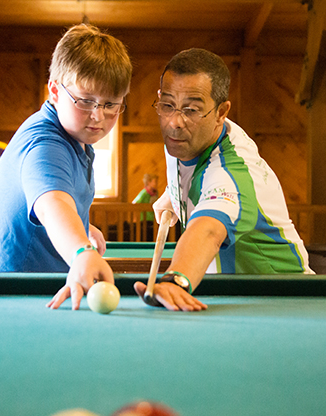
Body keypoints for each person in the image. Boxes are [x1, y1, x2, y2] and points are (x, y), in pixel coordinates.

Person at [0, 24, 132, 311]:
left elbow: (56, 200)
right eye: (85, 101)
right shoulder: (45, 143)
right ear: (55, 90)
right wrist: (81, 251)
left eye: (110, 104)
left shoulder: (79, 139)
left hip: (28, 292)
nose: (98, 116)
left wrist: (82, 226)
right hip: (3, 297)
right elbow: (51, 203)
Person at [133, 48, 313, 312]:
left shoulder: (232, 172)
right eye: (168, 105)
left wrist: (175, 281)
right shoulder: (187, 137)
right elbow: (194, 175)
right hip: (237, 301)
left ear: (221, 112)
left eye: (192, 109)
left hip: (287, 304)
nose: (174, 122)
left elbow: (208, 229)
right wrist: (174, 194)